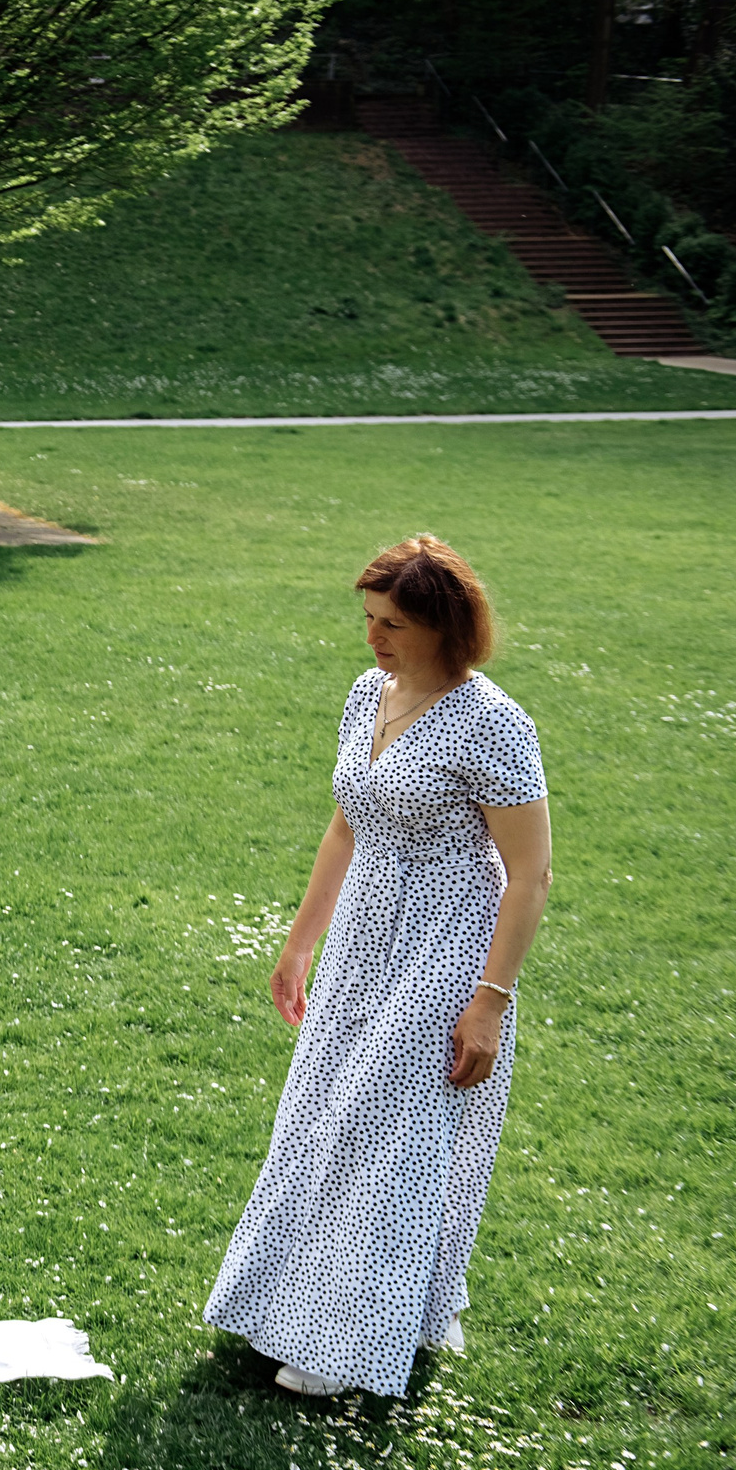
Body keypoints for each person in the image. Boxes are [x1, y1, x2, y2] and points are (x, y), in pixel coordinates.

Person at [205, 535, 552, 1400]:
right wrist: (299, 940)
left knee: (390, 1133)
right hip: (363, 940)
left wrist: (491, 1000)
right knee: (322, 1117)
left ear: (446, 625)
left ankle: (351, 1341)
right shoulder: (370, 694)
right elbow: (345, 824)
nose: (373, 638)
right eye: (367, 619)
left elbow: (531, 875)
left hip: (447, 949)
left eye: (392, 623)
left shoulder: (494, 723)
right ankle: (321, 1305)